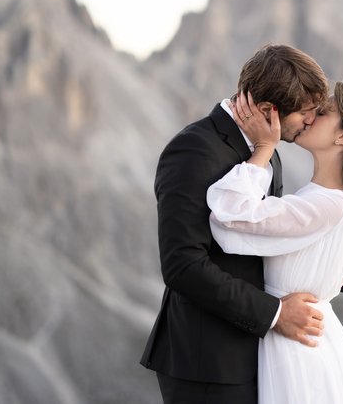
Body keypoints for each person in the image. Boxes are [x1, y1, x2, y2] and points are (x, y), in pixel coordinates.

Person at [140, 44, 331, 404]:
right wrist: (274, 314)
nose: (312, 120)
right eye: (306, 112)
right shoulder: (193, 150)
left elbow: (267, 240)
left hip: (251, 356)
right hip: (206, 364)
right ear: (267, 111)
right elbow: (183, 265)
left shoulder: (267, 150)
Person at [207, 81, 343, 403]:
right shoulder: (330, 201)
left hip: (297, 353)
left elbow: (230, 212)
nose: (309, 117)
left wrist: (264, 148)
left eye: (322, 113)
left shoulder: (329, 205)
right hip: (306, 345)